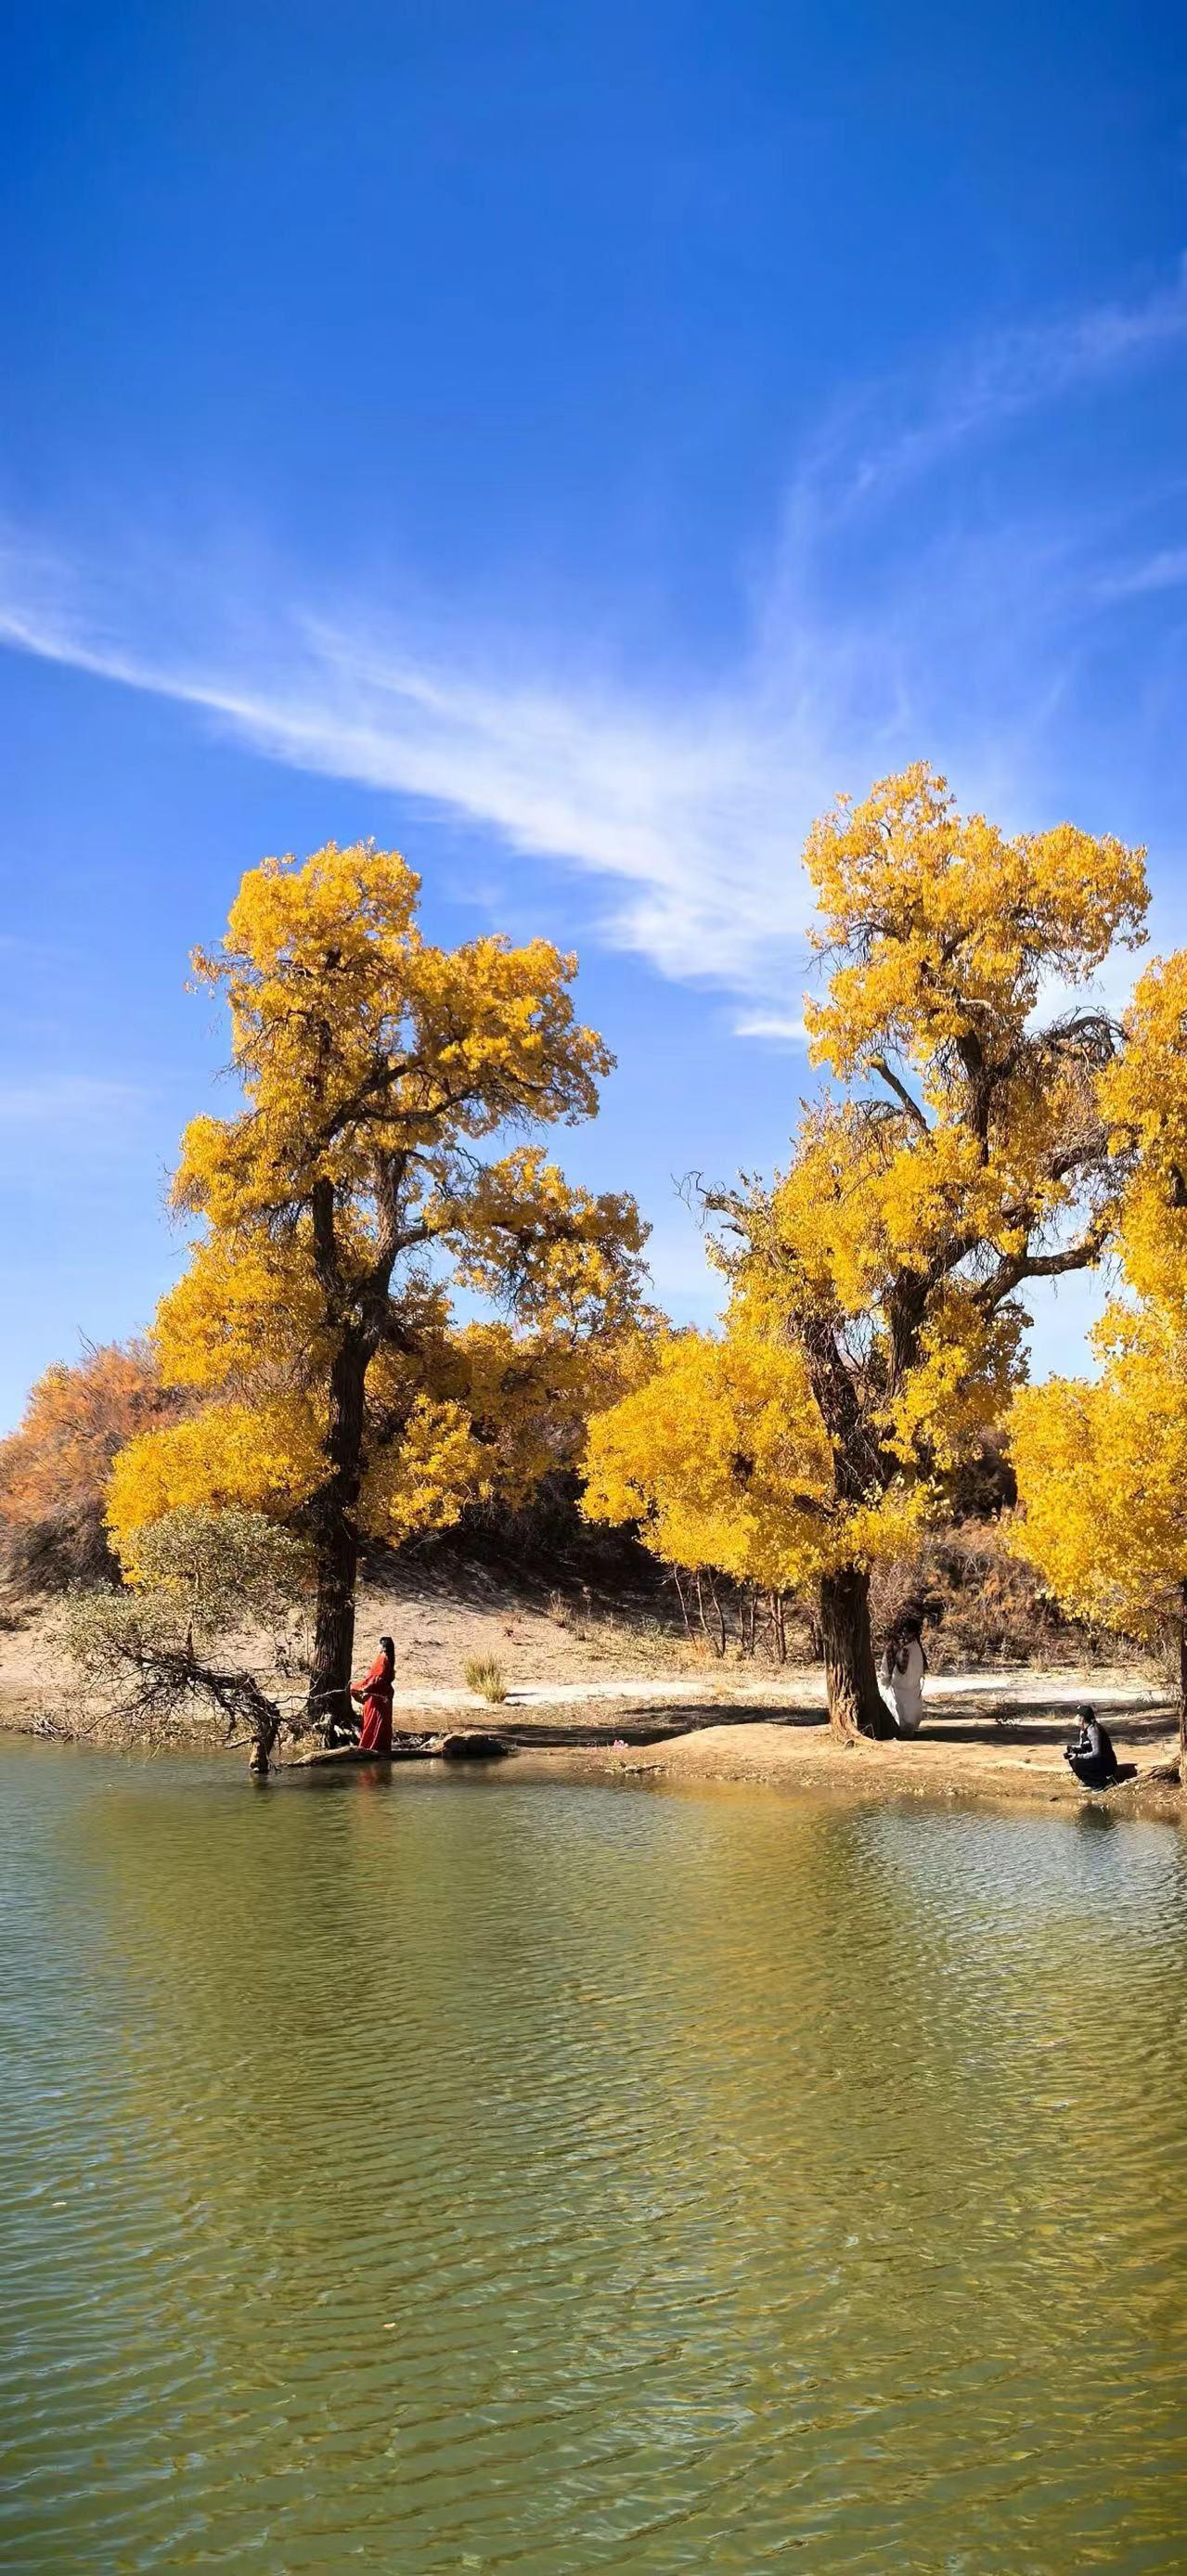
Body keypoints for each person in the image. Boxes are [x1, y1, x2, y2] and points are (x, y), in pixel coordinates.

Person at [1064, 1706, 1134, 1791]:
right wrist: (1073, 1749)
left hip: (1106, 1763)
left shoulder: (1093, 1730)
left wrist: (1078, 1756)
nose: (1075, 1717)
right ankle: (1090, 1781)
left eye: (1078, 1715)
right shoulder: (1083, 1730)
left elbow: (1096, 1753)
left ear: (1082, 1718)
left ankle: (1102, 1783)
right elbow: (1084, 1747)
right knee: (1072, 1757)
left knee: (1078, 1761)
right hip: (1096, 1760)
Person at [880, 1615, 928, 1737]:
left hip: (908, 1685)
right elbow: (887, 1665)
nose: (905, 1635)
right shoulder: (897, 1645)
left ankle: (906, 1728)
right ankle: (901, 1728)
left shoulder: (913, 1647)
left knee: (908, 1707)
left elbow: (915, 1667)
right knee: (900, 1706)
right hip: (899, 1685)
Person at [352, 1634, 395, 1756]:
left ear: (383, 1646)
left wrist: (363, 1688)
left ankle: (368, 1748)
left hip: (376, 1695)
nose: (377, 1647)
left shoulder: (382, 1658)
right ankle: (382, 1748)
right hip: (384, 1695)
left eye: (378, 1644)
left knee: (372, 1722)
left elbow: (377, 1679)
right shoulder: (389, 1658)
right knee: (382, 1722)